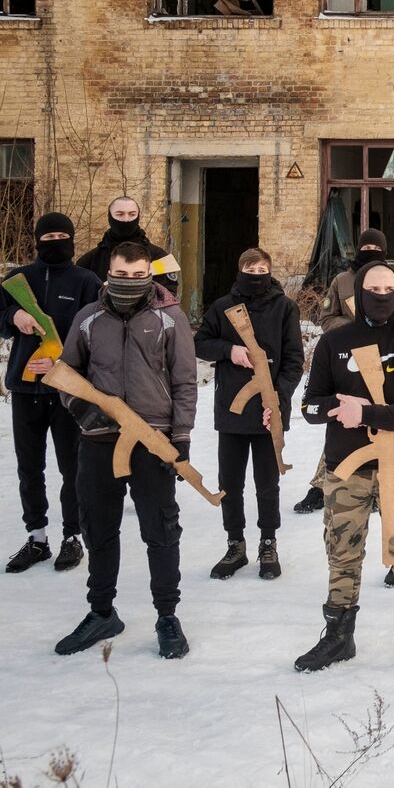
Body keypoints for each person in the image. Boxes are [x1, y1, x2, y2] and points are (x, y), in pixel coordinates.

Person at [296, 261, 394, 676]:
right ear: (358, 294)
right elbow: (309, 407)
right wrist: (334, 409)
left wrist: (366, 412)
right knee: (342, 551)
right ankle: (338, 634)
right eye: (372, 289)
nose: (381, 296)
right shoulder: (334, 342)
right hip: (346, 466)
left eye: (388, 289)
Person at [53, 242, 196, 659]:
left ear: (148, 274)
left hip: (153, 439)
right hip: (98, 440)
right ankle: (101, 612)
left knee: (161, 530)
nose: (129, 281)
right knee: (98, 527)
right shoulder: (88, 318)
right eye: (122, 273)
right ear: (108, 272)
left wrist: (181, 437)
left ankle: (167, 616)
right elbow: (67, 374)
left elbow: (185, 381)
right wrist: (84, 410)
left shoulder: (170, 318)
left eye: (138, 275)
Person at [194, 248, 303, 581]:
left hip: (269, 411)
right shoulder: (223, 307)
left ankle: (268, 543)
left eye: (262, 268)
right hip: (232, 407)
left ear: (270, 271)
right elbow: (200, 342)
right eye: (250, 267)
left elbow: (294, 361)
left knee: (267, 483)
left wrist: (278, 398)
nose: (256, 273)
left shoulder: (284, 307)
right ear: (240, 270)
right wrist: (230, 351)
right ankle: (235, 544)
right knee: (230, 482)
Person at [1, 213, 101, 573]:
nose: (54, 241)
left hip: (68, 390)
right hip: (26, 388)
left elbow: (96, 334)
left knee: (72, 466)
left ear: (72, 239)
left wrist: (62, 361)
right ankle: (37, 536)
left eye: (61, 235)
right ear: (37, 240)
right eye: (48, 235)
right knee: (30, 467)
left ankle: (73, 537)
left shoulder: (86, 281)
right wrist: (13, 316)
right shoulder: (17, 279)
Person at [294, 228, 394, 514]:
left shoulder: (391, 281)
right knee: (343, 420)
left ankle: (382, 488)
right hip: (348, 362)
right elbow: (326, 318)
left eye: (376, 248)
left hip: (386, 362)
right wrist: (356, 330)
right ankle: (322, 485)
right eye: (366, 247)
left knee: (383, 418)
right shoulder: (342, 281)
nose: (370, 252)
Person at [76, 196, 178, 295]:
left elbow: (168, 296)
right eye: (120, 214)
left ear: (138, 216)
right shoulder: (90, 260)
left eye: (132, 214)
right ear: (110, 217)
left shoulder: (159, 257)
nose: (126, 220)